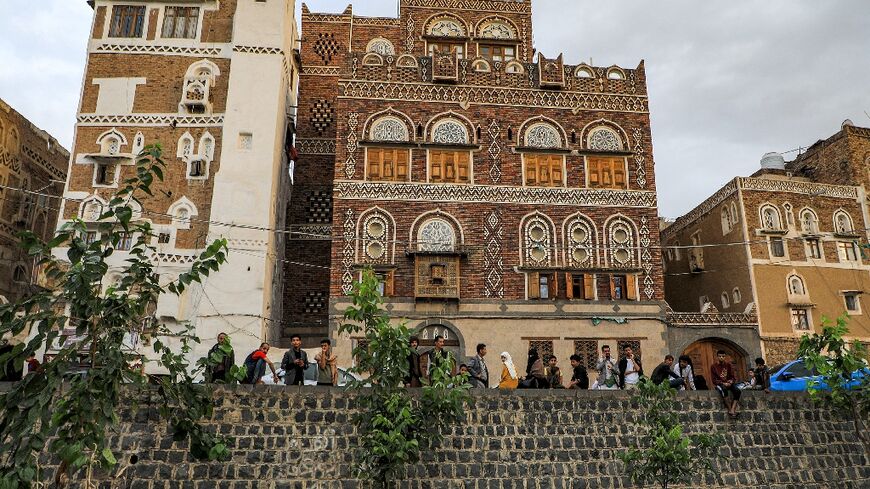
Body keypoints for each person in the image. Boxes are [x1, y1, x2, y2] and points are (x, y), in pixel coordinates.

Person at [711, 350, 741, 418]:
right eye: (720, 356)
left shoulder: (728, 365)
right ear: (717, 357)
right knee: (724, 390)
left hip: (728, 383)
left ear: (725, 357)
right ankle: (730, 409)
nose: (721, 357)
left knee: (738, 391)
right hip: (719, 384)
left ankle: (733, 409)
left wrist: (731, 381)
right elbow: (714, 380)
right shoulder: (713, 366)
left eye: (723, 356)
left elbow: (732, 376)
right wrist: (723, 383)